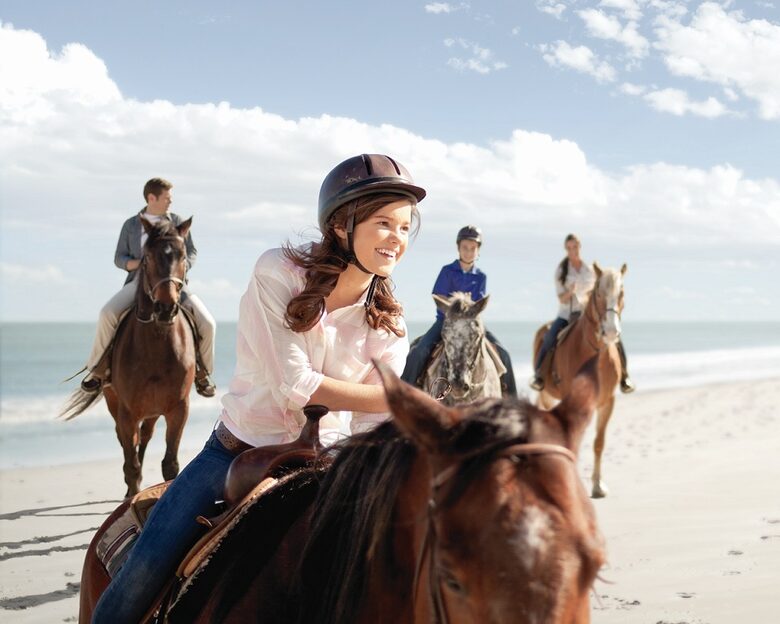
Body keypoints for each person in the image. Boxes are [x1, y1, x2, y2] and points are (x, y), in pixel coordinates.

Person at [90, 153, 426, 623]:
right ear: (340, 226)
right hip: (235, 452)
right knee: (139, 578)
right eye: (384, 223)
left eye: (406, 227)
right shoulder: (278, 272)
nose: (397, 238)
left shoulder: (389, 323)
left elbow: (373, 424)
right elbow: (298, 386)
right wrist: (403, 397)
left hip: (332, 467)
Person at [80, 177, 217, 397]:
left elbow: (191, 252)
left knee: (208, 323)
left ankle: (203, 374)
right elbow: (119, 257)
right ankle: (97, 369)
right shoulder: (131, 225)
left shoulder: (178, 222)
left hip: (173, 284)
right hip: (138, 283)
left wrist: (180, 268)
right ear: (151, 198)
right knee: (107, 313)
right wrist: (137, 264)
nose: (170, 202)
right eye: (167, 198)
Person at [401, 225, 517, 397]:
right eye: (465, 248)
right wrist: (457, 305)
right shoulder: (447, 271)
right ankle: (403, 395)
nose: (469, 252)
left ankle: (512, 404)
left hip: (471, 324)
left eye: (473, 248)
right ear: (458, 248)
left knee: (504, 354)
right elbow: (438, 295)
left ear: (478, 250)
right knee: (419, 352)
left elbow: (478, 306)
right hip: (445, 322)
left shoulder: (481, 276)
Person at [530, 233, 635, 393]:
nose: (574, 250)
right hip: (566, 315)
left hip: (586, 314)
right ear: (566, 249)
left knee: (615, 338)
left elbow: (596, 293)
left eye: (576, 247)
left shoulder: (589, 270)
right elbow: (561, 299)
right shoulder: (561, 270)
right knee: (550, 337)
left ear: (580, 247)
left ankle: (624, 377)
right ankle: (539, 375)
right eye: (570, 247)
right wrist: (570, 292)